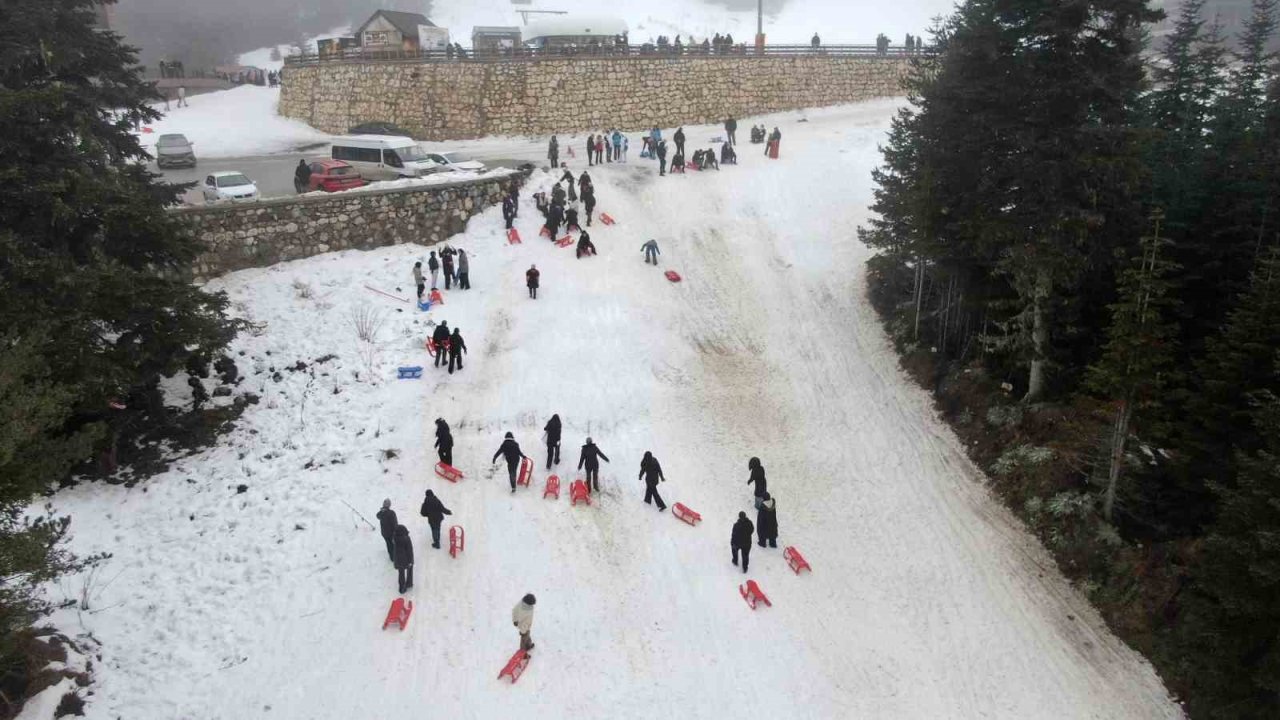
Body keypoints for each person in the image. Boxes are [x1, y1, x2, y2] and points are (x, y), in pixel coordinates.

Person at [393, 524, 414, 593]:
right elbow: (409, 550)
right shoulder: (406, 539)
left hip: (398, 560)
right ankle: (409, 583)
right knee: (409, 570)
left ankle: (402, 588)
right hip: (406, 559)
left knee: (401, 573)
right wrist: (411, 561)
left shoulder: (394, 538)